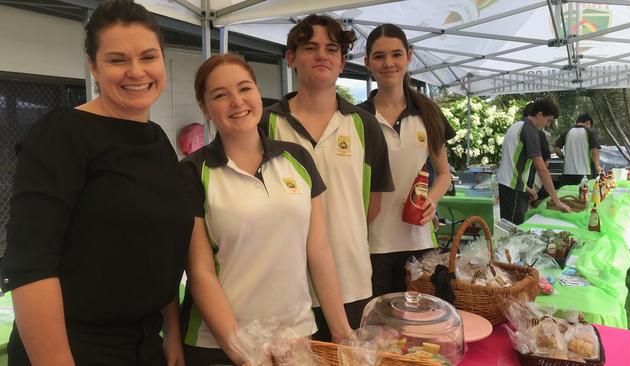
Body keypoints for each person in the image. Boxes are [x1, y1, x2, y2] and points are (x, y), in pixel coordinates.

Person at [1, 1, 194, 364]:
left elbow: (160, 246)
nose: (136, 71)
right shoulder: (61, 135)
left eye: (148, 57)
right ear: (93, 66)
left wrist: (171, 333)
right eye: (117, 59)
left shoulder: (157, 141)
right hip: (73, 346)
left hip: (144, 343)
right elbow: (31, 266)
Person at [178, 54, 351, 365]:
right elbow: (200, 271)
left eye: (245, 88)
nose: (237, 101)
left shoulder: (297, 158)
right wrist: (244, 354)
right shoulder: (192, 172)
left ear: (257, 92)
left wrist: (341, 332)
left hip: (294, 337)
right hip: (218, 345)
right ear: (204, 108)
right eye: (220, 95)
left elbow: (319, 249)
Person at [259, 14, 394, 341]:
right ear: (291, 58)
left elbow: (372, 206)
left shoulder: (365, 125)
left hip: (351, 281)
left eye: (331, 49)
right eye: (310, 47)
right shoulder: (264, 125)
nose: (322, 55)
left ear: (342, 61)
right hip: (285, 285)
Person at [356, 23, 455, 296]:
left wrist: (431, 201)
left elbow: (444, 174)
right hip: (371, 244)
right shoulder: (356, 119)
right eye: (379, 56)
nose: (388, 63)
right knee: (379, 328)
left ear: (409, 57)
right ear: (367, 63)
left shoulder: (428, 112)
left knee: (419, 326)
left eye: (396, 54)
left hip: (419, 242)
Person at [496, 98, 570, 224]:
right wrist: (556, 200)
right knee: (513, 228)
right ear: (539, 114)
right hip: (513, 189)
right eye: (548, 120)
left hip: (507, 185)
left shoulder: (517, 126)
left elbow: (511, 164)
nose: (547, 125)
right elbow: (541, 168)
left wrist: (525, 187)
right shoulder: (530, 131)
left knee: (507, 226)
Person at [554, 113, 602, 186]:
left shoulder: (566, 132)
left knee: (567, 194)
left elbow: (556, 149)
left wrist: (564, 158)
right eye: (590, 126)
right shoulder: (589, 132)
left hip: (567, 172)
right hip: (585, 173)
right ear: (588, 122)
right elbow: (595, 151)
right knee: (584, 195)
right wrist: (598, 167)